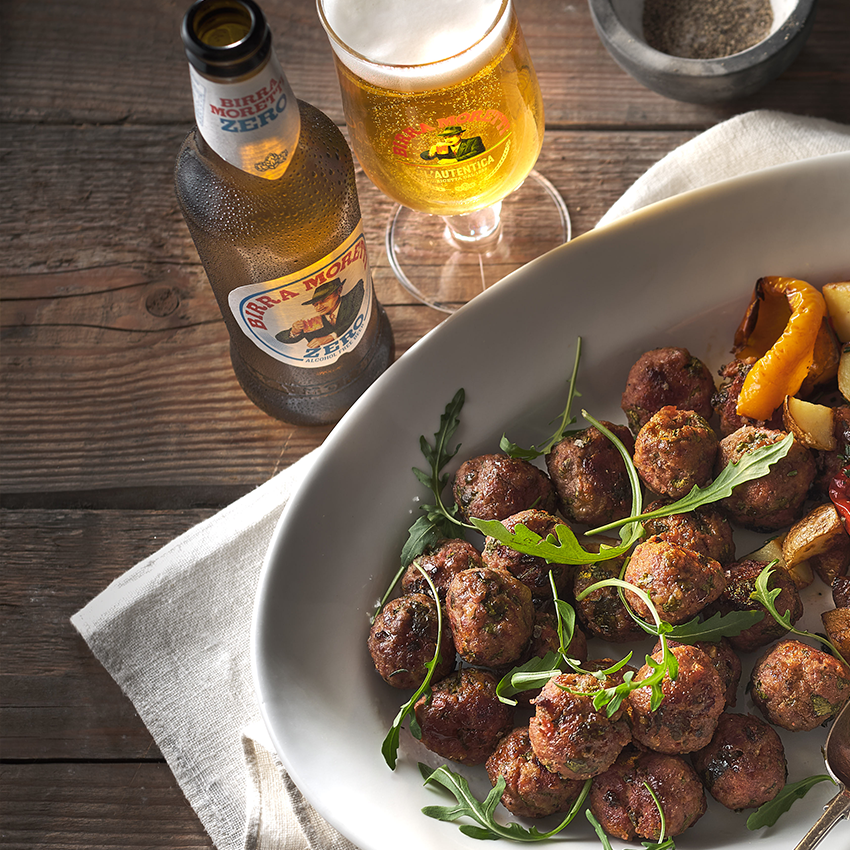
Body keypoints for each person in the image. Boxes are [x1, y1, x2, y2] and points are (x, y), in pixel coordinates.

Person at [276, 277, 364, 347]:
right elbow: (280, 337)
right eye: (315, 304)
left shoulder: (353, 298)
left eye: (324, 300)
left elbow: (356, 314)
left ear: (339, 290)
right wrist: (294, 331)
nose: (319, 308)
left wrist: (331, 337)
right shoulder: (314, 321)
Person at [421, 125, 486, 163]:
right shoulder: (444, 148)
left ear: (460, 135)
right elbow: (424, 156)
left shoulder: (473, 141)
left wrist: (454, 160)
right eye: (445, 138)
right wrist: (432, 152)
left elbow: (477, 152)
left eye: (451, 136)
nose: (448, 140)